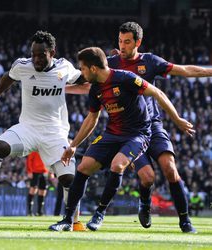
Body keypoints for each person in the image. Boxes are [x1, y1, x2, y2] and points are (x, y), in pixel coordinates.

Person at [49, 46, 194, 231]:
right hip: (112, 133)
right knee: (83, 167)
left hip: (138, 133)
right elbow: (92, 118)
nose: (81, 73)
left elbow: (157, 93)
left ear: (93, 68)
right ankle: (67, 220)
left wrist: (177, 119)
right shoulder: (96, 89)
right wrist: (74, 146)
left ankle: (99, 213)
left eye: (83, 68)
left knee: (117, 165)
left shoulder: (126, 78)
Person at [90, 21, 212, 233]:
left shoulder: (150, 61)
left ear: (138, 42)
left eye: (127, 42)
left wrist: (210, 72)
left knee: (170, 169)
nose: (123, 46)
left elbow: (184, 71)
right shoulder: (109, 63)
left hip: (153, 125)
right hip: (129, 131)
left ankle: (185, 220)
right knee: (148, 178)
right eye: (120, 41)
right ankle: (145, 204)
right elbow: (87, 80)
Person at [0, 30, 86, 231]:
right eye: (34, 54)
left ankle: (75, 222)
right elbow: (9, 76)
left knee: (68, 178)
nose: (36, 59)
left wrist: (105, 69)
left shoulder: (64, 67)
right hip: (27, 128)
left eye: (41, 55)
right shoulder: (23, 66)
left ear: (52, 52)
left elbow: (81, 78)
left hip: (55, 132)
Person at [26, 151, 49, 216]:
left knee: (43, 191)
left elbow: (50, 160)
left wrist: (51, 171)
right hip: (35, 171)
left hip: (44, 172)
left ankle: (40, 211)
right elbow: (29, 160)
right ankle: (30, 212)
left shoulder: (46, 148)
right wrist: (29, 171)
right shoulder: (35, 149)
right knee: (33, 190)